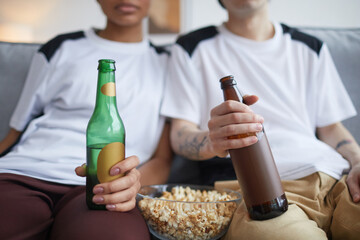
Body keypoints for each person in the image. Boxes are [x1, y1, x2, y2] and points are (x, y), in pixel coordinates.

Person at [161, 0, 360, 239]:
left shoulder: (310, 47)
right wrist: (212, 142)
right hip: (257, 189)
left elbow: (331, 128)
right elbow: (179, 134)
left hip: (338, 179)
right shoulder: (191, 47)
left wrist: (358, 161)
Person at [0, 0, 173, 239]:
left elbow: (163, 158)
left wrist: (131, 187)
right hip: (25, 173)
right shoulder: (61, 47)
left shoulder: (169, 62)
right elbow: (14, 134)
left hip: (106, 183)